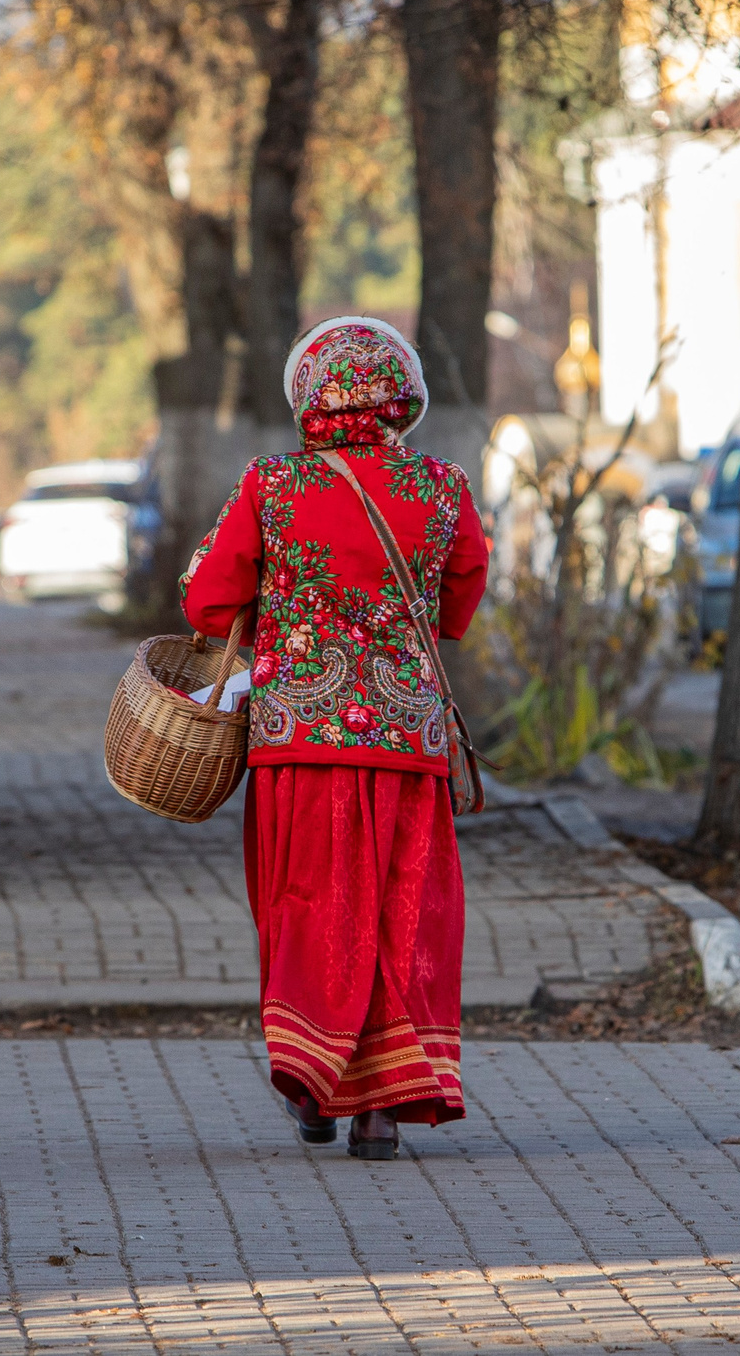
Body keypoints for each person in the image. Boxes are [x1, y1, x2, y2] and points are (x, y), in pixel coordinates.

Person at [179, 317, 489, 1162]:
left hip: (299, 741)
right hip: (406, 739)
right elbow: (462, 595)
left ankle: (314, 1088)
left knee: (308, 905)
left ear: (309, 398)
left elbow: (208, 600)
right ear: (405, 400)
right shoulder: (443, 487)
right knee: (400, 913)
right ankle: (382, 1110)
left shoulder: (272, 484)